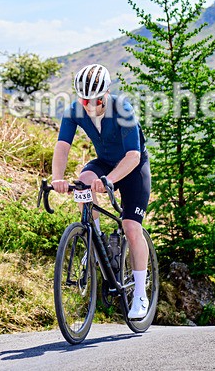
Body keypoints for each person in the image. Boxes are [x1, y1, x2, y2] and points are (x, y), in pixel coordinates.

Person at [51, 64, 151, 319]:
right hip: (105, 162)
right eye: (85, 100)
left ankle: (140, 293)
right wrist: (57, 179)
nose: (90, 105)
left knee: (131, 227)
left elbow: (133, 155)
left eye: (96, 100)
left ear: (106, 93)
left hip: (133, 168)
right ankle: (94, 242)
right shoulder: (74, 111)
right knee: (83, 180)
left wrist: (109, 180)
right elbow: (62, 146)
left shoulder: (123, 110)